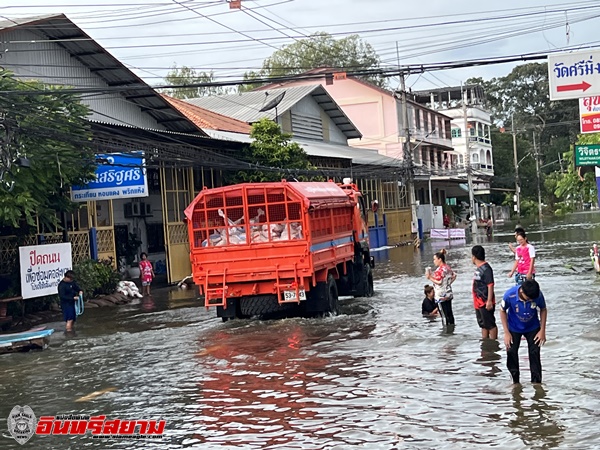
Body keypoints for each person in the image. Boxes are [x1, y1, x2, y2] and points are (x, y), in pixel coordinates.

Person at [500, 279, 547, 384]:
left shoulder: (537, 295)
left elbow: (543, 309)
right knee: (511, 352)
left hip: (533, 327)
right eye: (528, 298)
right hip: (513, 327)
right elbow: (502, 311)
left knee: (534, 353)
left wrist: (542, 330)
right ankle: (515, 382)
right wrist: (506, 332)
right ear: (522, 292)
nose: (531, 300)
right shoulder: (509, 295)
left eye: (532, 299)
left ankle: (536, 383)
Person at [471, 245, 497, 339]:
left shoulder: (486, 269)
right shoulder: (479, 269)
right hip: (478, 301)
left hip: (485, 301)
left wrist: (489, 301)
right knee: (483, 324)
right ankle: (485, 342)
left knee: (490, 324)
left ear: (474, 257)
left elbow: (490, 285)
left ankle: (493, 343)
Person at [425, 249, 457, 325]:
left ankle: (446, 331)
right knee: (450, 313)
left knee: (444, 315)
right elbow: (454, 276)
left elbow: (439, 282)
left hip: (441, 296)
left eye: (435, 259)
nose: (434, 261)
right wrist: (447, 284)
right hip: (448, 293)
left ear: (440, 259)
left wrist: (429, 277)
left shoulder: (439, 270)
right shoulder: (447, 267)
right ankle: (452, 327)